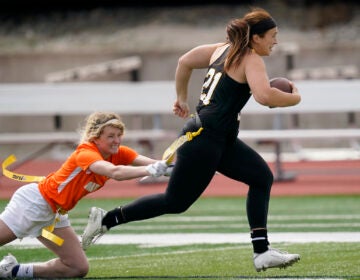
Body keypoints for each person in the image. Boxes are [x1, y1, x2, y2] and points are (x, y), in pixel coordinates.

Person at [82, 7, 302, 272]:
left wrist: (181, 97)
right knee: (175, 202)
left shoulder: (221, 49)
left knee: (261, 178)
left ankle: (261, 251)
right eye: (272, 36)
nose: (275, 41)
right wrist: (295, 97)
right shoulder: (250, 57)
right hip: (205, 138)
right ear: (256, 38)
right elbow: (265, 96)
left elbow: (185, 61)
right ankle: (106, 219)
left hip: (219, 138)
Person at [0, 111, 172, 279]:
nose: (117, 140)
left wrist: (180, 167)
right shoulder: (86, 153)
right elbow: (116, 172)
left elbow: (158, 165)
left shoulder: (118, 152)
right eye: (111, 136)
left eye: (119, 135)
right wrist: (149, 170)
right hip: (34, 203)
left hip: (54, 215)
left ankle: (11, 271)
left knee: (76, 267)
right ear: (95, 137)